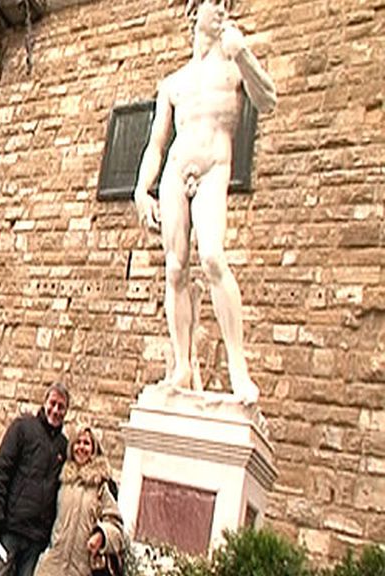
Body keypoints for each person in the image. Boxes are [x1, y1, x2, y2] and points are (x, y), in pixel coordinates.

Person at [132, 0, 276, 404]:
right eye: (217, 5)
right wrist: (142, 188)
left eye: (228, 7)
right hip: (176, 170)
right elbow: (156, 144)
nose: (224, 13)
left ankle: (237, 369)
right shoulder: (174, 82)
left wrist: (244, 53)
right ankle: (181, 365)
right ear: (195, 12)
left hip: (214, 166)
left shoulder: (232, 67)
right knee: (175, 268)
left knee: (212, 257)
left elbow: (267, 100)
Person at [0, 383, 70, 576]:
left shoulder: (63, 447)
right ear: (45, 402)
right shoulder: (22, 427)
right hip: (10, 530)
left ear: (66, 411)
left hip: (36, 539)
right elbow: (0, 473)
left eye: (61, 407)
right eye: (53, 403)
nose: (55, 410)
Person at [33, 427, 124, 576]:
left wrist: (102, 536)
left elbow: (117, 527)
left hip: (82, 570)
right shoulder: (61, 480)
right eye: (78, 443)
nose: (81, 447)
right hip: (51, 567)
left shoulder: (102, 485)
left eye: (86, 443)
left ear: (94, 449)